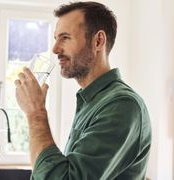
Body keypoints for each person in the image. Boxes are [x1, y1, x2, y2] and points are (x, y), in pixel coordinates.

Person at [14, 1, 152, 179]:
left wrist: (36, 113)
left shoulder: (122, 105)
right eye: (56, 38)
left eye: (65, 37)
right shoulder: (92, 100)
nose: (55, 49)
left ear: (98, 41)